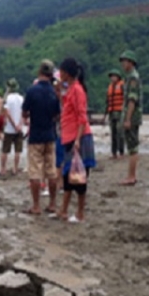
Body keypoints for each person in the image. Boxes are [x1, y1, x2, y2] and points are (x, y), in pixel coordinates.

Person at [57, 58, 95, 223]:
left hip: (78, 138)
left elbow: (82, 117)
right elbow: (67, 109)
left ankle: (80, 213)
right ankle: (64, 210)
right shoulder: (71, 89)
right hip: (69, 137)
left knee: (78, 177)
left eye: (62, 72)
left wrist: (78, 140)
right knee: (68, 175)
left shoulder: (78, 90)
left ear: (67, 73)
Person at [22, 60, 61, 215]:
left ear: (39, 72)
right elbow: (57, 115)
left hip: (36, 135)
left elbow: (24, 113)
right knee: (51, 170)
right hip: (50, 135)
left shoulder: (32, 91)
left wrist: (30, 116)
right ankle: (52, 204)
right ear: (51, 74)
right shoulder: (53, 92)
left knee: (35, 172)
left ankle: (36, 206)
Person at [119, 50, 142, 186]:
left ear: (131, 62)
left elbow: (132, 100)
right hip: (132, 116)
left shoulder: (133, 78)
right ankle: (131, 175)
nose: (123, 64)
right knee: (131, 146)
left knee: (132, 147)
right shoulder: (131, 77)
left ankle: (131, 176)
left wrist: (127, 119)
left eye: (125, 61)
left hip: (132, 117)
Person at [0, 79, 25, 176]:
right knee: (17, 151)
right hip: (19, 129)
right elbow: (24, 113)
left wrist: (14, 125)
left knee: (5, 150)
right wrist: (19, 125)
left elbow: (7, 113)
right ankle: (15, 168)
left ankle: (3, 169)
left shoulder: (7, 98)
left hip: (9, 129)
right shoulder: (21, 98)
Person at [105, 69, 125, 159]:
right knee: (113, 133)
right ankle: (114, 153)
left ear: (118, 77)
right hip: (111, 112)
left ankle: (121, 152)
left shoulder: (122, 86)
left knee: (120, 132)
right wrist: (105, 114)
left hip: (120, 112)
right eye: (111, 76)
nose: (112, 78)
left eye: (114, 76)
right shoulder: (109, 87)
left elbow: (126, 98)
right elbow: (107, 102)